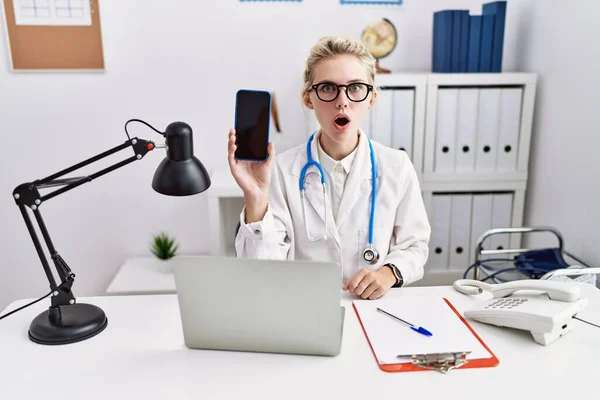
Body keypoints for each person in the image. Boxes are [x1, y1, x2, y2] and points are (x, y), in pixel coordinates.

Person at [227, 36, 431, 300]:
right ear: (308, 98)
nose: (342, 101)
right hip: (303, 306)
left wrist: (388, 273)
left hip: (372, 308)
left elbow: (415, 245)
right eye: (327, 88)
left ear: (372, 98)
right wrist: (255, 198)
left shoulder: (396, 166)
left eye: (356, 87)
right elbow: (261, 268)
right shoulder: (279, 170)